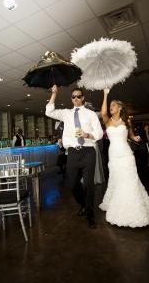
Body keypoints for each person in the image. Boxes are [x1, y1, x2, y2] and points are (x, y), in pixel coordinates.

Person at [45, 85, 103, 228]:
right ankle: (83, 205)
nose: (76, 98)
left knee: (89, 184)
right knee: (72, 185)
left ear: (82, 98)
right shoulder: (66, 113)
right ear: (71, 99)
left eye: (79, 96)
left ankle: (90, 214)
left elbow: (100, 133)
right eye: (73, 96)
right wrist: (54, 94)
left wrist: (87, 135)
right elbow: (49, 111)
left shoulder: (91, 114)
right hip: (72, 153)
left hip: (88, 151)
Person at [99, 88, 149, 227]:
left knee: (130, 180)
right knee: (116, 179)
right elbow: (103, 112)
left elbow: (130, 135)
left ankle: (135, 210)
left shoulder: (126, 122)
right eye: (110, 105)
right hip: (114, 155)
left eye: (113, 105)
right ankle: (116, 204)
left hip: (126, 154)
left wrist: (134, 136)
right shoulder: (107, 121)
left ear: (119, 108)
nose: (111, 107)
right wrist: (105, 95)